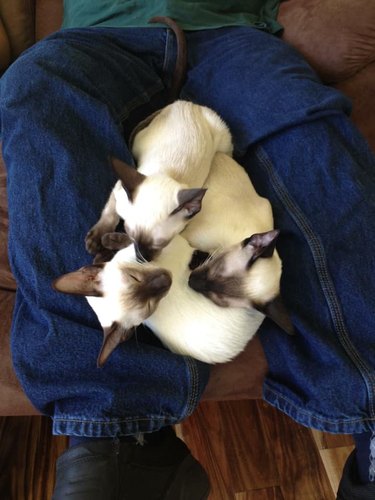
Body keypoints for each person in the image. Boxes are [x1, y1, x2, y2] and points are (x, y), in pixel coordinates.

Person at [1, 1, 375, 498]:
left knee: (312, 135)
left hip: (234, 39)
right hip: (95, 42)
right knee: (35, 88)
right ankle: (119, 440)